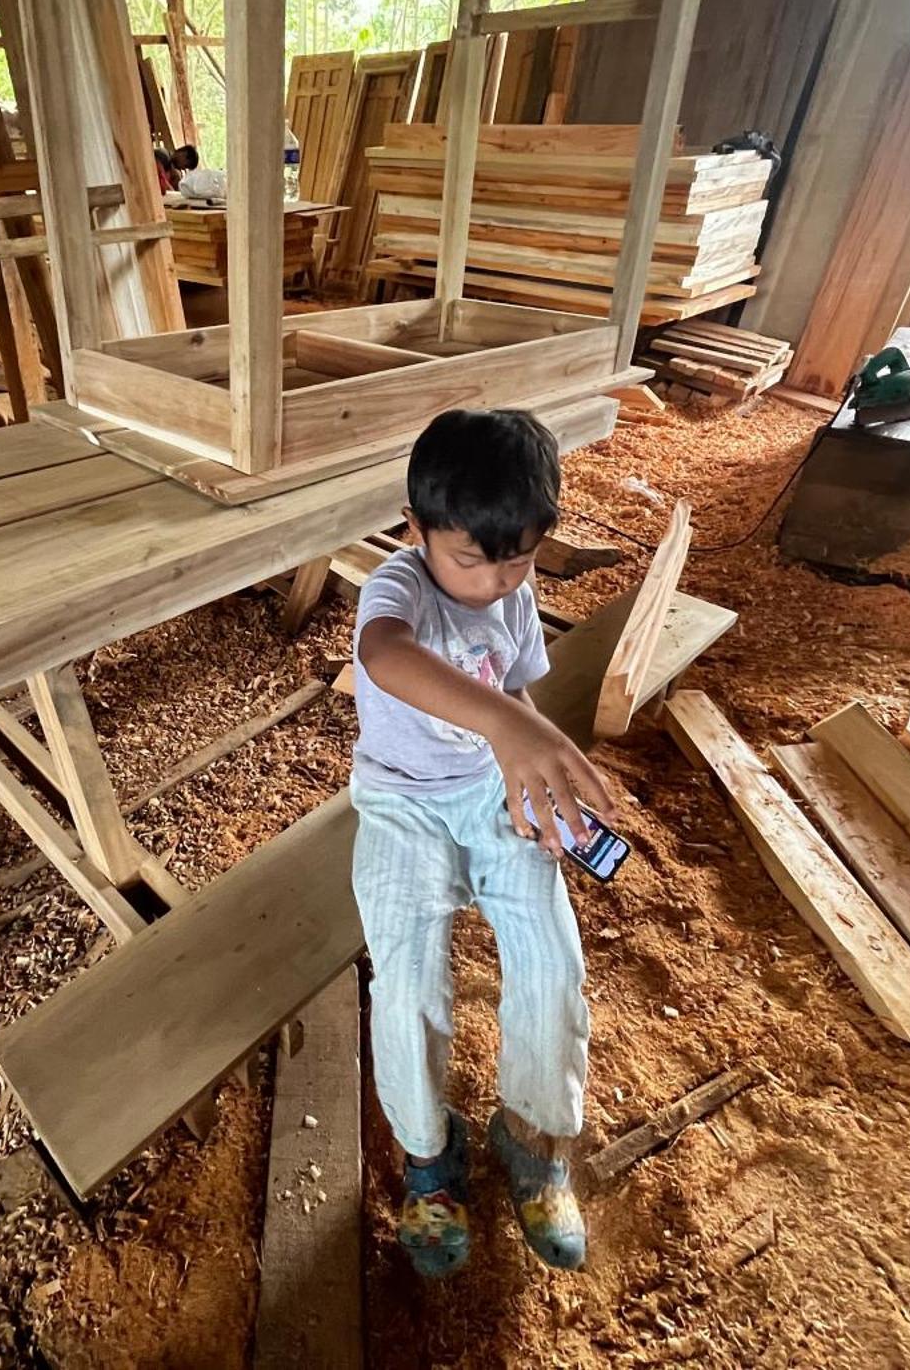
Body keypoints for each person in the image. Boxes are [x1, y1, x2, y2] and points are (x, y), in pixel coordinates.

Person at [350, 408, 618, 1279]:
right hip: (402, 802)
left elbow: (517, 697)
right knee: (409, 982)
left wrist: (538, 775)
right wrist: (510, 729)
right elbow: (387, 658)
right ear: (414, 525)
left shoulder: (515, 592)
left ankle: (533, 1136)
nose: (497, 582)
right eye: (471, 558)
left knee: (551, 960)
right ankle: (430, 1159)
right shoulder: (397, 589)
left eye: (520, 560)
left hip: (488, 790)